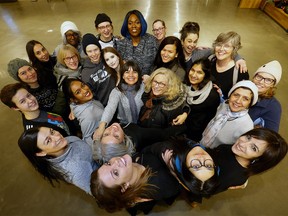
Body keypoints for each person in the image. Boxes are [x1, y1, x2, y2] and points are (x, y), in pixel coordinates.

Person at [90, 153, 181, 214]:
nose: (115, 162)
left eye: (108, 163)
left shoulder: (129, 165)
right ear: (125, 186)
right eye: (115, 173)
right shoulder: (159, 185)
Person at [18, 126, 99, 194]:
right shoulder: (76, 169)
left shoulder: (63, 143)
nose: (57, 137)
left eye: (52, 132)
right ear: (41, 153)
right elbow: (98, 191)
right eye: (48, 140)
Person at [211, 128, 287, 194]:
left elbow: (205, 190)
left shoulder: (232, 176)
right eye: (248, 137)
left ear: (259, 158)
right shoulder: (235, 150)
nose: (243, 144)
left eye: (253, 148)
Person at [201, 80, 258, 149]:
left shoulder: (246, 126)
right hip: (201, 144)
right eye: (236, 95)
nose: (238, 101)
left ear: (249, 104)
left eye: (245, 99)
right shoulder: (224, 106)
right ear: (230, 95)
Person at [94, 61, 144, 139]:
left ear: (138, 74)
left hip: (143, 124)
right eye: (127, 72)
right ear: (123, 76)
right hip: (126, 126)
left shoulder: (143, 87)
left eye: (134, 72)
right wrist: (102, 126)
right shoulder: (117, 91)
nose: (131, 75)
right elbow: (110, 108)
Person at [0, 82, 70, 136]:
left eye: (28, 95)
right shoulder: (34, 132)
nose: (30, 101)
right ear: (15, 108)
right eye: (22, 101)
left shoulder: (41, 107)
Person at [179, 22, 247, 74]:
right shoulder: (176, 51)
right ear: (182, 41)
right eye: (189, 41)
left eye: (195, 42)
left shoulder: (200, 53)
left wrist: (239, 59)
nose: (192, 45)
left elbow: (222, 51)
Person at [184, 58, 220, 142]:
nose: (193, 75)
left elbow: (209, 120)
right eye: (192, 70)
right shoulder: (185, 85)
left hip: (193, 136)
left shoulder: (212, 96)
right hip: (179, 128)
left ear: (206, 75)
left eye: (199, 72)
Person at [62, 78, 104, 146]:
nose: (85, 90)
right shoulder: (88, 116)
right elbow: (89, 141)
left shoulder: (80, 102)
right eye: (78, 92)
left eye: (83, 85)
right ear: (74, 99)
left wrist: (71, 107)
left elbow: (72, 103)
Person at [116, 9, 158, 75]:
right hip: (127, 82)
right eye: (130, 23)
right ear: (126, 26)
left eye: (137, 22)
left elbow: (158, 64)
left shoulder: (152, 41)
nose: (133, 26)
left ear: (142, 24)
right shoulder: (120, 44)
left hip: (148, 81)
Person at [210, 31, 249, 99]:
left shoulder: (240, 71)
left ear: (234, 49)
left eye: (227, 46)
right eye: (219, 45)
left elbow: (240, 98)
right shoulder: (210, 60)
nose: (221, 49)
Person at [81, 33, 116, 106]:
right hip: (105, 106)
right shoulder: (86, 73)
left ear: (100, 49)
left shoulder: (108, 58)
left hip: (119, 99)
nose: (93, 54)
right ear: (86, 53)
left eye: (95, 50)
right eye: (89, 51)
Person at [249, 60, 282, 132]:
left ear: (273, 85)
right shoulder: (242, 90)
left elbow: (269, 136)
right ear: (254, 77)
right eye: (259, 77)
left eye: (268, 80)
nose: (261, 82)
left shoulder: (273, 106)